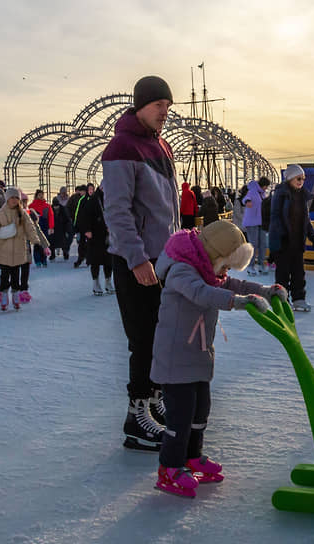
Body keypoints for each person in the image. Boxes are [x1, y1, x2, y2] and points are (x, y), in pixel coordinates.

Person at [152, 220, 286, 497]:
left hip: (198, 355)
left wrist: (263, 291)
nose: (226, 273)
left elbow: (232, 283)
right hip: (174, 358)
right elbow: (202, 294)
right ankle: (169, 467)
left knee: (201, 411)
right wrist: (239, 301)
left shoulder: (207, 269)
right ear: (213, 256)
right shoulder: (181, 270)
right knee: (180, 416)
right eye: (225, 265)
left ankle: (191, 458)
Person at [102, 75, 181, 451]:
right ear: (140, 106)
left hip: (164, 258)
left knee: (162, 335)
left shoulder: (161, 146)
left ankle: (153, 401)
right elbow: (117, 211)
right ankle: (136, 416)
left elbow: (169, 211)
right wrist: (136, 259)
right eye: (158, 106)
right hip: (137, 260)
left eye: (167, 106)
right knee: (143, 338)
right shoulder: (122, 146)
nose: (164, 112)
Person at [0, 187, 50, 311]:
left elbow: (30, 228)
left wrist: (36, 242)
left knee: (16, 275)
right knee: (5, 276)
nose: (14, 200)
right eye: (12, 197)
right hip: (4, 251)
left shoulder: (23, 214)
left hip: (19, 250)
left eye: (17, 198)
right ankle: (4, 294)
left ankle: (15, 295)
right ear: (7, 199)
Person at [268, 164, 314, 312]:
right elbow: (275, 216)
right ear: (289, 178)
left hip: (297, 241)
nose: (301, 181)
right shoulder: (280, 194)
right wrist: (279, 236)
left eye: (303, 178)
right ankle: (282, 301)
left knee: (298, 272)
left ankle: (299, 299)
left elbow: (306, 219)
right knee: (283, 274)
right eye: (298, 178)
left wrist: (312, 235)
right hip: (283, 241)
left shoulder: (302, 195)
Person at [77, 183, 114, 296]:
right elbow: (84, 216)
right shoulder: (92, 200)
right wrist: (87, 230)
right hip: (95, 234)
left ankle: (108, 281)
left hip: (108, 234)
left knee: (109, 259)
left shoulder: (111, 198)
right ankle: (96, 282)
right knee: (95, 260)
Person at [241, 177, 271, 276]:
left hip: (261, 222)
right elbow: (245, 198)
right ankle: (250, 266)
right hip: (252, 222)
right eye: (266, 186)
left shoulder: (262, 194)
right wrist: (247, 202)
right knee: (253, 244)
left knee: (262, 243)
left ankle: (261, 264)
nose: (266, 188)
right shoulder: (253, 191)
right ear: (263, 185)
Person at [28, 189, 55, 268]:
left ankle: (44, 260)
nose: (41, 196)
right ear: (36, 196)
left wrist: (51, 227)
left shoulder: (47, 206)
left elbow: (51, 216)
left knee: (45, 244)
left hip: (45, 226)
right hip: (35, 226)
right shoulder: (31, 206)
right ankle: (38, 260)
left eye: (42, 195)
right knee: (37, 244)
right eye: (39, 195)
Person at [51, 190, 74, 261]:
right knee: (51, 242)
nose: (56, 207)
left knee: (64, 242)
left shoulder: (63, 209)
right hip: (54, 229)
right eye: (55, 206)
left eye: (57, 206)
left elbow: (67, 220)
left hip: (62, 228)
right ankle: (52, 254)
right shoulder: (50, 209)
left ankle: (65, 253)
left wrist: (68, 229)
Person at [69, 185, 88, 267]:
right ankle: (82, 258)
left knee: (85, 243)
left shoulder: (88, 199)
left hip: (87, 225)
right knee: (81, 242)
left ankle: (86, 258)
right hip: (79, 224)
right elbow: (71, 210)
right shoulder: (75, 198)